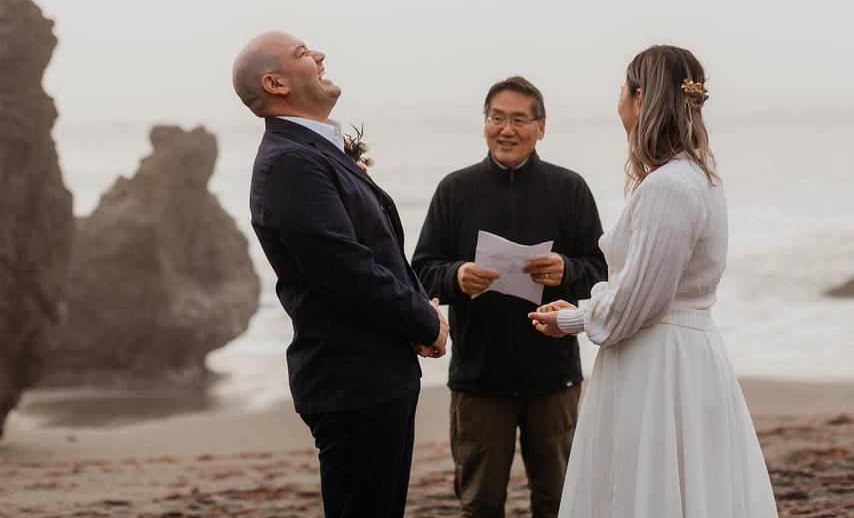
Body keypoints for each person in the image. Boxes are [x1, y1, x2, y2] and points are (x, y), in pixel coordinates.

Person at [529, 46, 779, 517]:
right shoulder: (696, 177)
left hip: (661, 366)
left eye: (623, 89)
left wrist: (573, 318)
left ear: (641, 100)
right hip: (680, 355)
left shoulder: (671, 186)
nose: (618, 101)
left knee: (648, 487)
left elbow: (642, 299)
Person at [233, 31, 448, 518]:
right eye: (303, 53)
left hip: (379, 376)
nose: (320, 55)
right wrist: (426, 323)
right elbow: (345, 269)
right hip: (353, 381)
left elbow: (379, 248)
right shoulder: (290, 163)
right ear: (275, 82)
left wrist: (421, 310)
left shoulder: (312, 152)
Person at [412, 76, 607, 518]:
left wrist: (566, 270)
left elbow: (601, 275)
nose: (506, 129)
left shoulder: (569, 188)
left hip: (553, 378)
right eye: (496, 118)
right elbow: (420, 272)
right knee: (479, 502)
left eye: (519, 119)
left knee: (559, 501)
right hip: (478, 378)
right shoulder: (454, 189)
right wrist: (457, 275)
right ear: (484, 123)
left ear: (541, 127)